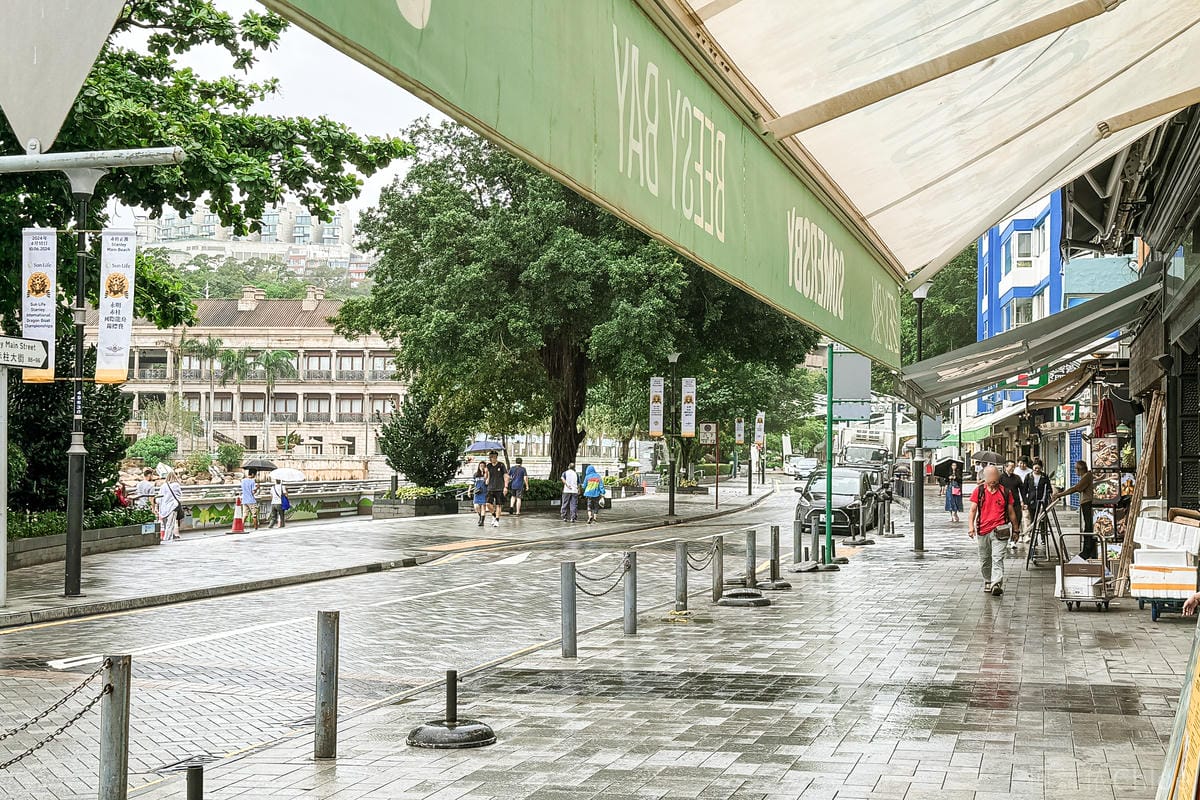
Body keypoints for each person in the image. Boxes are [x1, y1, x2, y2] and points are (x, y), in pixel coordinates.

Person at [968, 465, 1020, 596]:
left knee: (997, 558)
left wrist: (1016, 529)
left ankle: (996, 583)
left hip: (1000, 530)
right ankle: (987, 580)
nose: (993, 480)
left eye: (995, 477)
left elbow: (1011, 512)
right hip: (983, 530)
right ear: (984, 478)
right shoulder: (979, 491)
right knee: (985, 559)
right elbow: (973, 510)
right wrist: (971, 527)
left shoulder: (1005, 492)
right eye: (990, 477)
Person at [1053, 460, 1096, 558]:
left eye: (1075, 469)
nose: (1075, 471)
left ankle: (1087, 551)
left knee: (1088, 527)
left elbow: (1076, 488)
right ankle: (1089, 551)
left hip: (1088, 503)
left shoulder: (1087, 476)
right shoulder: (1085, 477)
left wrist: (1060, 494)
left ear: (1080, 469)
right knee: (1087, 526)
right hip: (1086, 503)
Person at [1022, 459, 1053, 541]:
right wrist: (1024, 501)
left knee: (1042, 519)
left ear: (1041, 468)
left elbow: (1049, 488)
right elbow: (1024, 490)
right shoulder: (1028, 476)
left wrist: (1049, 495)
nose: (1036, 470)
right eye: (1035, 468)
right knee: (1033, 520)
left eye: (1038, 468)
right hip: (1031, 501)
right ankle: (1033, 539)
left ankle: (1043, 538)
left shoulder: (1044, 476)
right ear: (1032, 467)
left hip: (1042, 500)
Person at [999, 460, 1025, 550]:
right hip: (1004, 504)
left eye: (1014, 467)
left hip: (1016, 503)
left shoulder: (1017, 478)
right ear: (1005, 467)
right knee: (1003, 523)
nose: (1012, 469)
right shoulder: (1000, 478)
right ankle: (1004, 541)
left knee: (1016, 522)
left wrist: (1024, 502)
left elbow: (1022, 490)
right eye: (1011, 467)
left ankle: (1013, 541)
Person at [482, 450, 508, 528]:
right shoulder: (488, 466)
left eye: (492, 457)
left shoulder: (501, 465)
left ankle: (497, 520)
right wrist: (485, 473)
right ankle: (493, 514)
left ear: (496, 457)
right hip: (490, 487)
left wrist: (505, 487)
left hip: (499, 487)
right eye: (489, 457)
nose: (490, 459)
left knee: (498, 505)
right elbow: (486, 478)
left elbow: (506, 476)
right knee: (488, 503)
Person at [157, 470, 184, 542]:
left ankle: (166, 537)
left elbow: (159, 498)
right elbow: (179, 495)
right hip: (172, 507)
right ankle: (167, 539)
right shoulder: (176, 485)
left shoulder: (163, 486)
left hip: (163, 508)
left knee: (166, 525)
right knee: (170, 524)